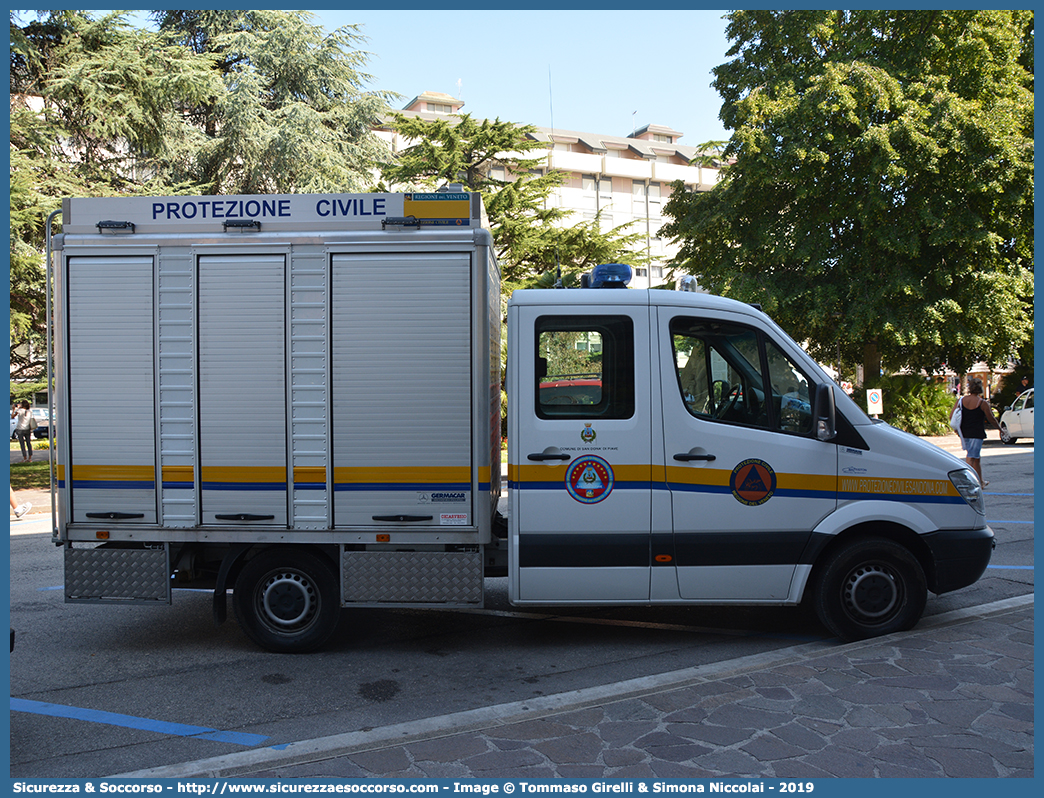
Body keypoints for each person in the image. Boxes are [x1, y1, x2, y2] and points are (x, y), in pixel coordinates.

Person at [951, 377, 1001, 486]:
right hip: (976, 434)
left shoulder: (961, 400)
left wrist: (957, 430)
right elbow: (991, 418)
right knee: (971, 457)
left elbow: (952, 416)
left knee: (976, 458)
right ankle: (965, 481)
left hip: (964, 433)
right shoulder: (982, 403)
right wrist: (999, 428)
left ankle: (980, 481)